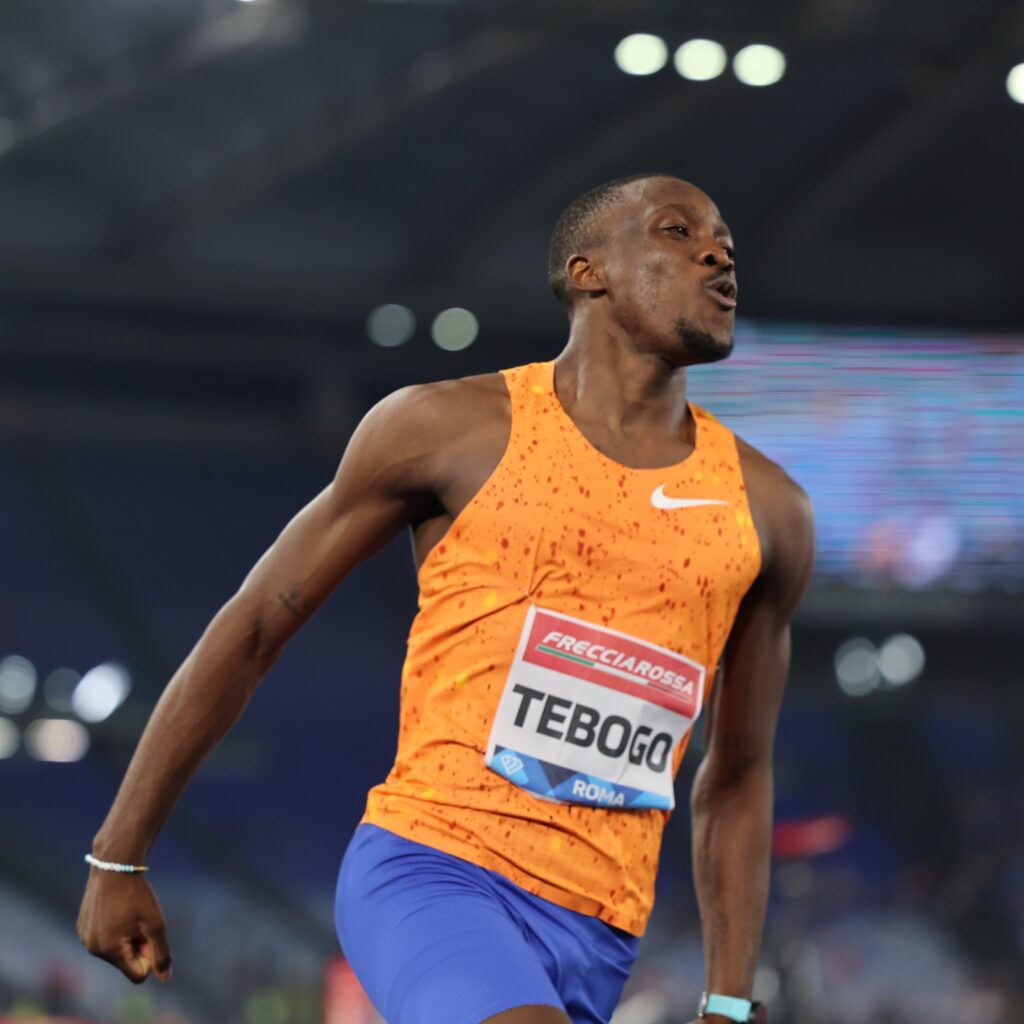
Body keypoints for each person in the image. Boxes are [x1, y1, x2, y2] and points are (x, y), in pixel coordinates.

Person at [77, 173, 815, 1024]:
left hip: (601, 932)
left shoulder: (769, 511)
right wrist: (118, 857)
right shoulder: (450, 430)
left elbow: (739, 769)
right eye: (677, 232)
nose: (719, 255)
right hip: (431, 871)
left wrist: (727, 999)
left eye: (724, 240)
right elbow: (250, 632)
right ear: (588, 273)